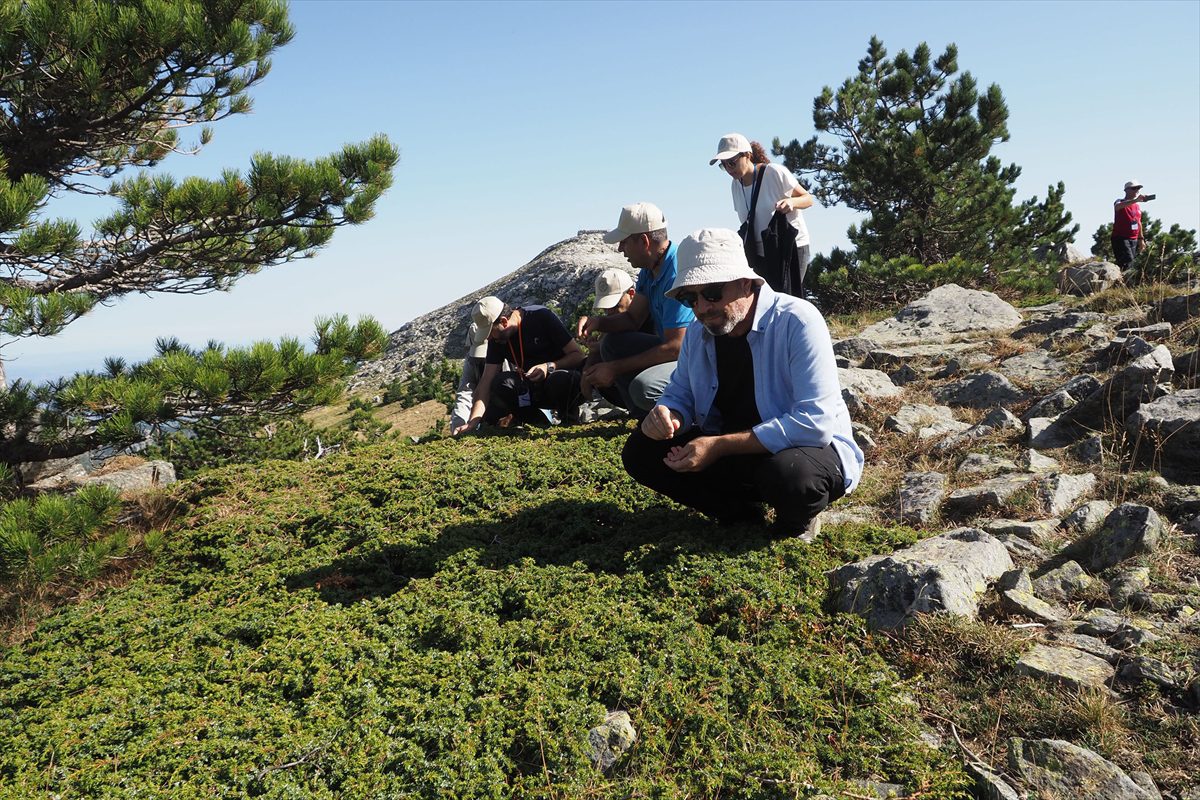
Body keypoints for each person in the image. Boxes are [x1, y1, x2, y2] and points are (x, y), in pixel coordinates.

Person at [621, 228, 863, 538]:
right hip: (732, 447)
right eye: (689, 297)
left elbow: (815, 423)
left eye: (712, 293)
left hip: (799, 449)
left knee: (793, 478)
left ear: (745, 283)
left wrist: (719, 446)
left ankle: (796, 522)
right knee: (641, 450)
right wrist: (669, 415)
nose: (701, 307)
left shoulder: (797, 321)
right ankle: (739, 515)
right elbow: (680, 392)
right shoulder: (699, 332)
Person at [576, 202, 695, 420]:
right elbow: (632, 318)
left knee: (644, 387)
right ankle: (642, 417)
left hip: (696, 359)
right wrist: (599, 323)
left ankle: (672, 418)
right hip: (679, 353)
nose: (621, 249)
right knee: (612, 343)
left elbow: (676, 348)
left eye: (624, 242)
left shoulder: (676, 272)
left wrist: (613, 368)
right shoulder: (650, 270)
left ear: (644, 241)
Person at [452, 296, 585, 435]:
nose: (489, 338)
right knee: (500, 382)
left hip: (564, 385)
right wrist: (472, 422)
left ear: (503, 322)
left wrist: (549, 367)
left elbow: (578, 355)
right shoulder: (497, 340)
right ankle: (536, 423)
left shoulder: (541, 317)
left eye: (490, 333)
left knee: (559, 379)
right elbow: (486, 382)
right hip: (533, 389)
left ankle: (569, 420)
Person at [711, 132, 814, 295]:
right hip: (761, 253)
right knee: (766, 301)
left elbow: (808, 199)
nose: (729, 169)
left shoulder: (773, 172)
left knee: (788, 297)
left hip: (790, 246)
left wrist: (791, 202)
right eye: (724, 165)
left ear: (748, 155)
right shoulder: (735, 185)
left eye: (732, 162)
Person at [1112, 179, 1149, 270]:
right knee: (1127, 262)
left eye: (1138, 188)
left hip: (1134, 239)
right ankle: (1125, 283)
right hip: (1121, 238)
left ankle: (1127, 282)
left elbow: (1139, 222)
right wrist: (1135, 200)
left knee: (1132, 263)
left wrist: (1141, 239)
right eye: (1134, 188)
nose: (1137, 190)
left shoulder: (1137, 206)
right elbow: (1117, 207)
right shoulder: (1119, 201)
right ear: (1126, 190)